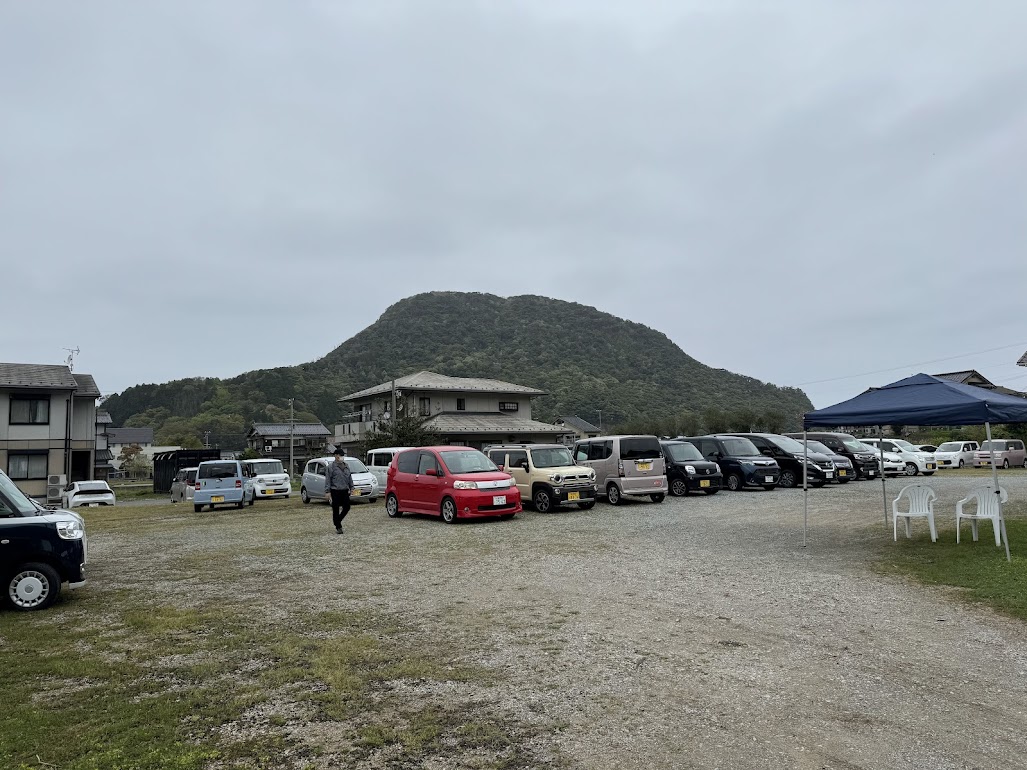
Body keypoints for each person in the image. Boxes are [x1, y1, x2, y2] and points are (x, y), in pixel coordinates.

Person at [325, 449, 354, 534]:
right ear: (336, 456)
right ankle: (338, 527)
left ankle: (337, 520)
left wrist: (352, 487)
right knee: (335, 509)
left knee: (347, 507)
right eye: (339, 455)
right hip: (335, 490)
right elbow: (328, 480)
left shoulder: (346, 466)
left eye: (342, 455)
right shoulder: (331, 467)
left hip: (345, 490)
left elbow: (349, 478)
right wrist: (327, 491)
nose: (341, 457)